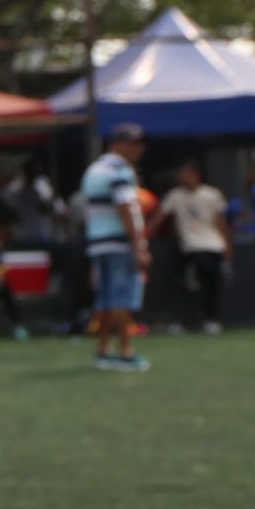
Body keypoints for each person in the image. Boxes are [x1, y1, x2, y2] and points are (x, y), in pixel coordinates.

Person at [80, 123, 151, 371]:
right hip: (119, 243)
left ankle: (103, 351)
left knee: (106, 299)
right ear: (117, 144)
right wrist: (139, 245)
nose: (138, 149)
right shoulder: (120, 171)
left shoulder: (93, 170)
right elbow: (126, 209)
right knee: (122, 297)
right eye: (133, 144)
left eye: (140, 144)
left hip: (98, 243)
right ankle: (126, 352)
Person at [152, 159, 230, 333]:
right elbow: (159, 219)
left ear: (197, 175)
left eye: (187, 173)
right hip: (189, 247)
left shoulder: (212, 194)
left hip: (212, 245)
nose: (184, 177)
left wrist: (226, 245)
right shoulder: (175, 195)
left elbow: (221, 222)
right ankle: (180, 320)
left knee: (211, 285)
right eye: (182, 174)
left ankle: (211, 319)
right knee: (181, 285)